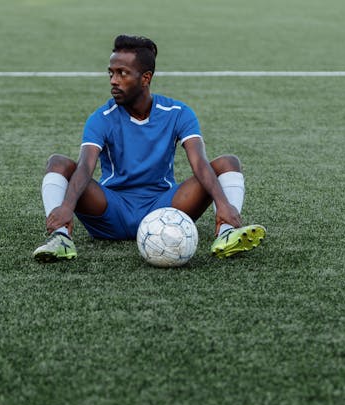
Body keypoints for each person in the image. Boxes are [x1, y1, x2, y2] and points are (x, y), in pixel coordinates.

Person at [33, 34, 265, 262]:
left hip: (164, 206)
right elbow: (85, 167)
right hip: (112, 210)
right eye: (111, 73)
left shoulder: (177, 113)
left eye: (122, 73)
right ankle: (60, 237)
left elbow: (199, 164)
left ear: (145, 78)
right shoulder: (102, 117)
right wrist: (66, 208)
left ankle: (226, 232)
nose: (114, 80)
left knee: (228, 162)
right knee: (58, 163)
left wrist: (223, 205)